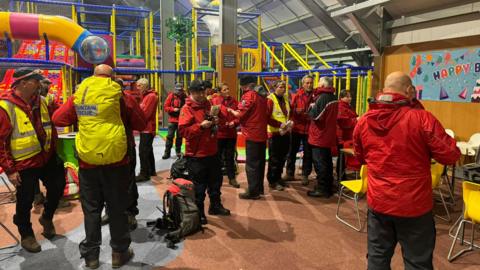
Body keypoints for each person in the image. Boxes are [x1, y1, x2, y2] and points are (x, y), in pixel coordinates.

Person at [353, 71, 460, 270]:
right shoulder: (422, 119)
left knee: (377, 258)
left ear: (383, 91)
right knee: (417, 263)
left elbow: (359, 158)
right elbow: (450, 155)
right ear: (410, 91)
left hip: (379, 202)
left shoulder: (364, 120)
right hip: (414, 205)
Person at [53, 65, 146, 269]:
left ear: (93, 76)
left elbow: (58, 118)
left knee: (92, 210)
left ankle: (92, 257)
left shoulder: (80, 95)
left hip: (88, 162)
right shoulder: (121, 96)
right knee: (117, 209)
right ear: (112, 77)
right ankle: (119, 253)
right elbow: (141, 122)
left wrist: (85, 117)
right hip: (117, 162)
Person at [0, 68, 66, 253]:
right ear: (23, 83)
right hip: (23, 163)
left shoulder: (42, 101)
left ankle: (47, 217)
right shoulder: (5, 106)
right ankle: (26, 232)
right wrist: (10, 170)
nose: (40, 84)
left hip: (47, 157)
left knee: (58, 187)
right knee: (25, 200)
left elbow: (53, 122)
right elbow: (1, 142)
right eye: (36, 80)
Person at [178, 79, 231, 225]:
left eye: (203, 91)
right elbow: (183, 131)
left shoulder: (208, 104)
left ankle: (215, 205)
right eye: (198, 92)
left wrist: (216, 120)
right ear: (191, 92)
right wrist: (200, 127)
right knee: (199, 187)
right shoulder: (187, 109)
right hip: (196, 155)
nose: (201, 94)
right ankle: (199, 212)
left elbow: (220, 120)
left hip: (212, 150)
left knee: (216, 182)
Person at [101, 77, 143, 231]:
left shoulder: (127, 100)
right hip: (109, 147)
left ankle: (129, 212)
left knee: (126, 181)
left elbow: (140, 122)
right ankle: (114, 211)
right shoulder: (98, 99)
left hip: (122, 146)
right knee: (112, 181)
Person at [230, 76, 269, 200]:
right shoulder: (263, 96)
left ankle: (253, 192)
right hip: (262, 133)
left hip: (252, 134)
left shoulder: (248, 96)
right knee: (260, 163)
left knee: (252, 165)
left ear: (244, 86)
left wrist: (230, 111)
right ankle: (259, 188)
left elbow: (240, 114)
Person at [307, 77, 338, 198]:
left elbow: (315, 116)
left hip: (320, 136)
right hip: (327, 135)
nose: (317, 84)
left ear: (324, 84)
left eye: (319, 82)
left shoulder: (324, 97)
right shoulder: (333, 97)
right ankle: (328, 185)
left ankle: (322, 188)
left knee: (320, 163)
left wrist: (311, 107)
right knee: (327, 162)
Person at [285, 75, 314, 186]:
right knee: (292, 152)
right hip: (297, 128)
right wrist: (296, 112)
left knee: (308, 153)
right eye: (307, 83)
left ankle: (305, 175)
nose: (309, 85)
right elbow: (291, 111)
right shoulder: (297, 95)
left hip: (309, 130)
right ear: (303, 84)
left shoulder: (316, 96)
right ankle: (289, 173)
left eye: (310, 83)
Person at [211, 83, 240, 188]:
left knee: (230, 157)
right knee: (217, 157)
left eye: (228, 89)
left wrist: (234, 123)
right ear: (219, 92)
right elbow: (211, 116)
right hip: (219, 135)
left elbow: (239, 115)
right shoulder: (214, 101)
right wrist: (219, 123)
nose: (227, 91)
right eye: (224, 90)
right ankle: (216, 178)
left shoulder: (234, 101)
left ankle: (232, 178)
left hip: (231, 134)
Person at [266, 80, 292, 191]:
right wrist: (279, 124)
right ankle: (272, 181)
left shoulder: (286, 98)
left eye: (284, 87)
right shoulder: (270, 100)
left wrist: (290, 122)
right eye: (280, 87)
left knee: (282, 158)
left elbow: (289, 113)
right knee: (274, 159)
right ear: (274, 87)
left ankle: (278, 178)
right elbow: (267, 118)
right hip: (275, 134)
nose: (283, 89)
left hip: (285, 132)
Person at [135, 78, 159, 182]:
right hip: (145, 127)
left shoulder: (151, 96)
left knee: (143, 151)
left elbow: (145, 114)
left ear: (144, 86)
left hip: (148, 128)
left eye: (139, 86)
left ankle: (144, 173)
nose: (137, 88)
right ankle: (151, 170)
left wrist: (135, 117)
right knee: (148, 150)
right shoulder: (146, 96)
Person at [336, 90, 358, 179]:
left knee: (343, 157)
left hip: (347, 135)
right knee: (342, 157)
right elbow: (343, 122)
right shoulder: (341, 107)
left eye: (350, 96)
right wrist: (356, 120)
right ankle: (341, 176)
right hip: (342, 136)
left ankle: (341, 175)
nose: (350, 98)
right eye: (347, 97)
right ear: (341, 97)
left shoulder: (347, 106)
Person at [162, 82, 186, 159]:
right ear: (175, 89)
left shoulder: (185, 97)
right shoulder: (171, 96)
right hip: (172, 120)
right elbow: (165, 107)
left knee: (179, 137)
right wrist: (173, 109)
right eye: (178, 90)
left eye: (180, 90)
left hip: (181, 120)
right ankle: (167, 152)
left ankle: (178, 152)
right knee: (169, 136)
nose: (179, 92)